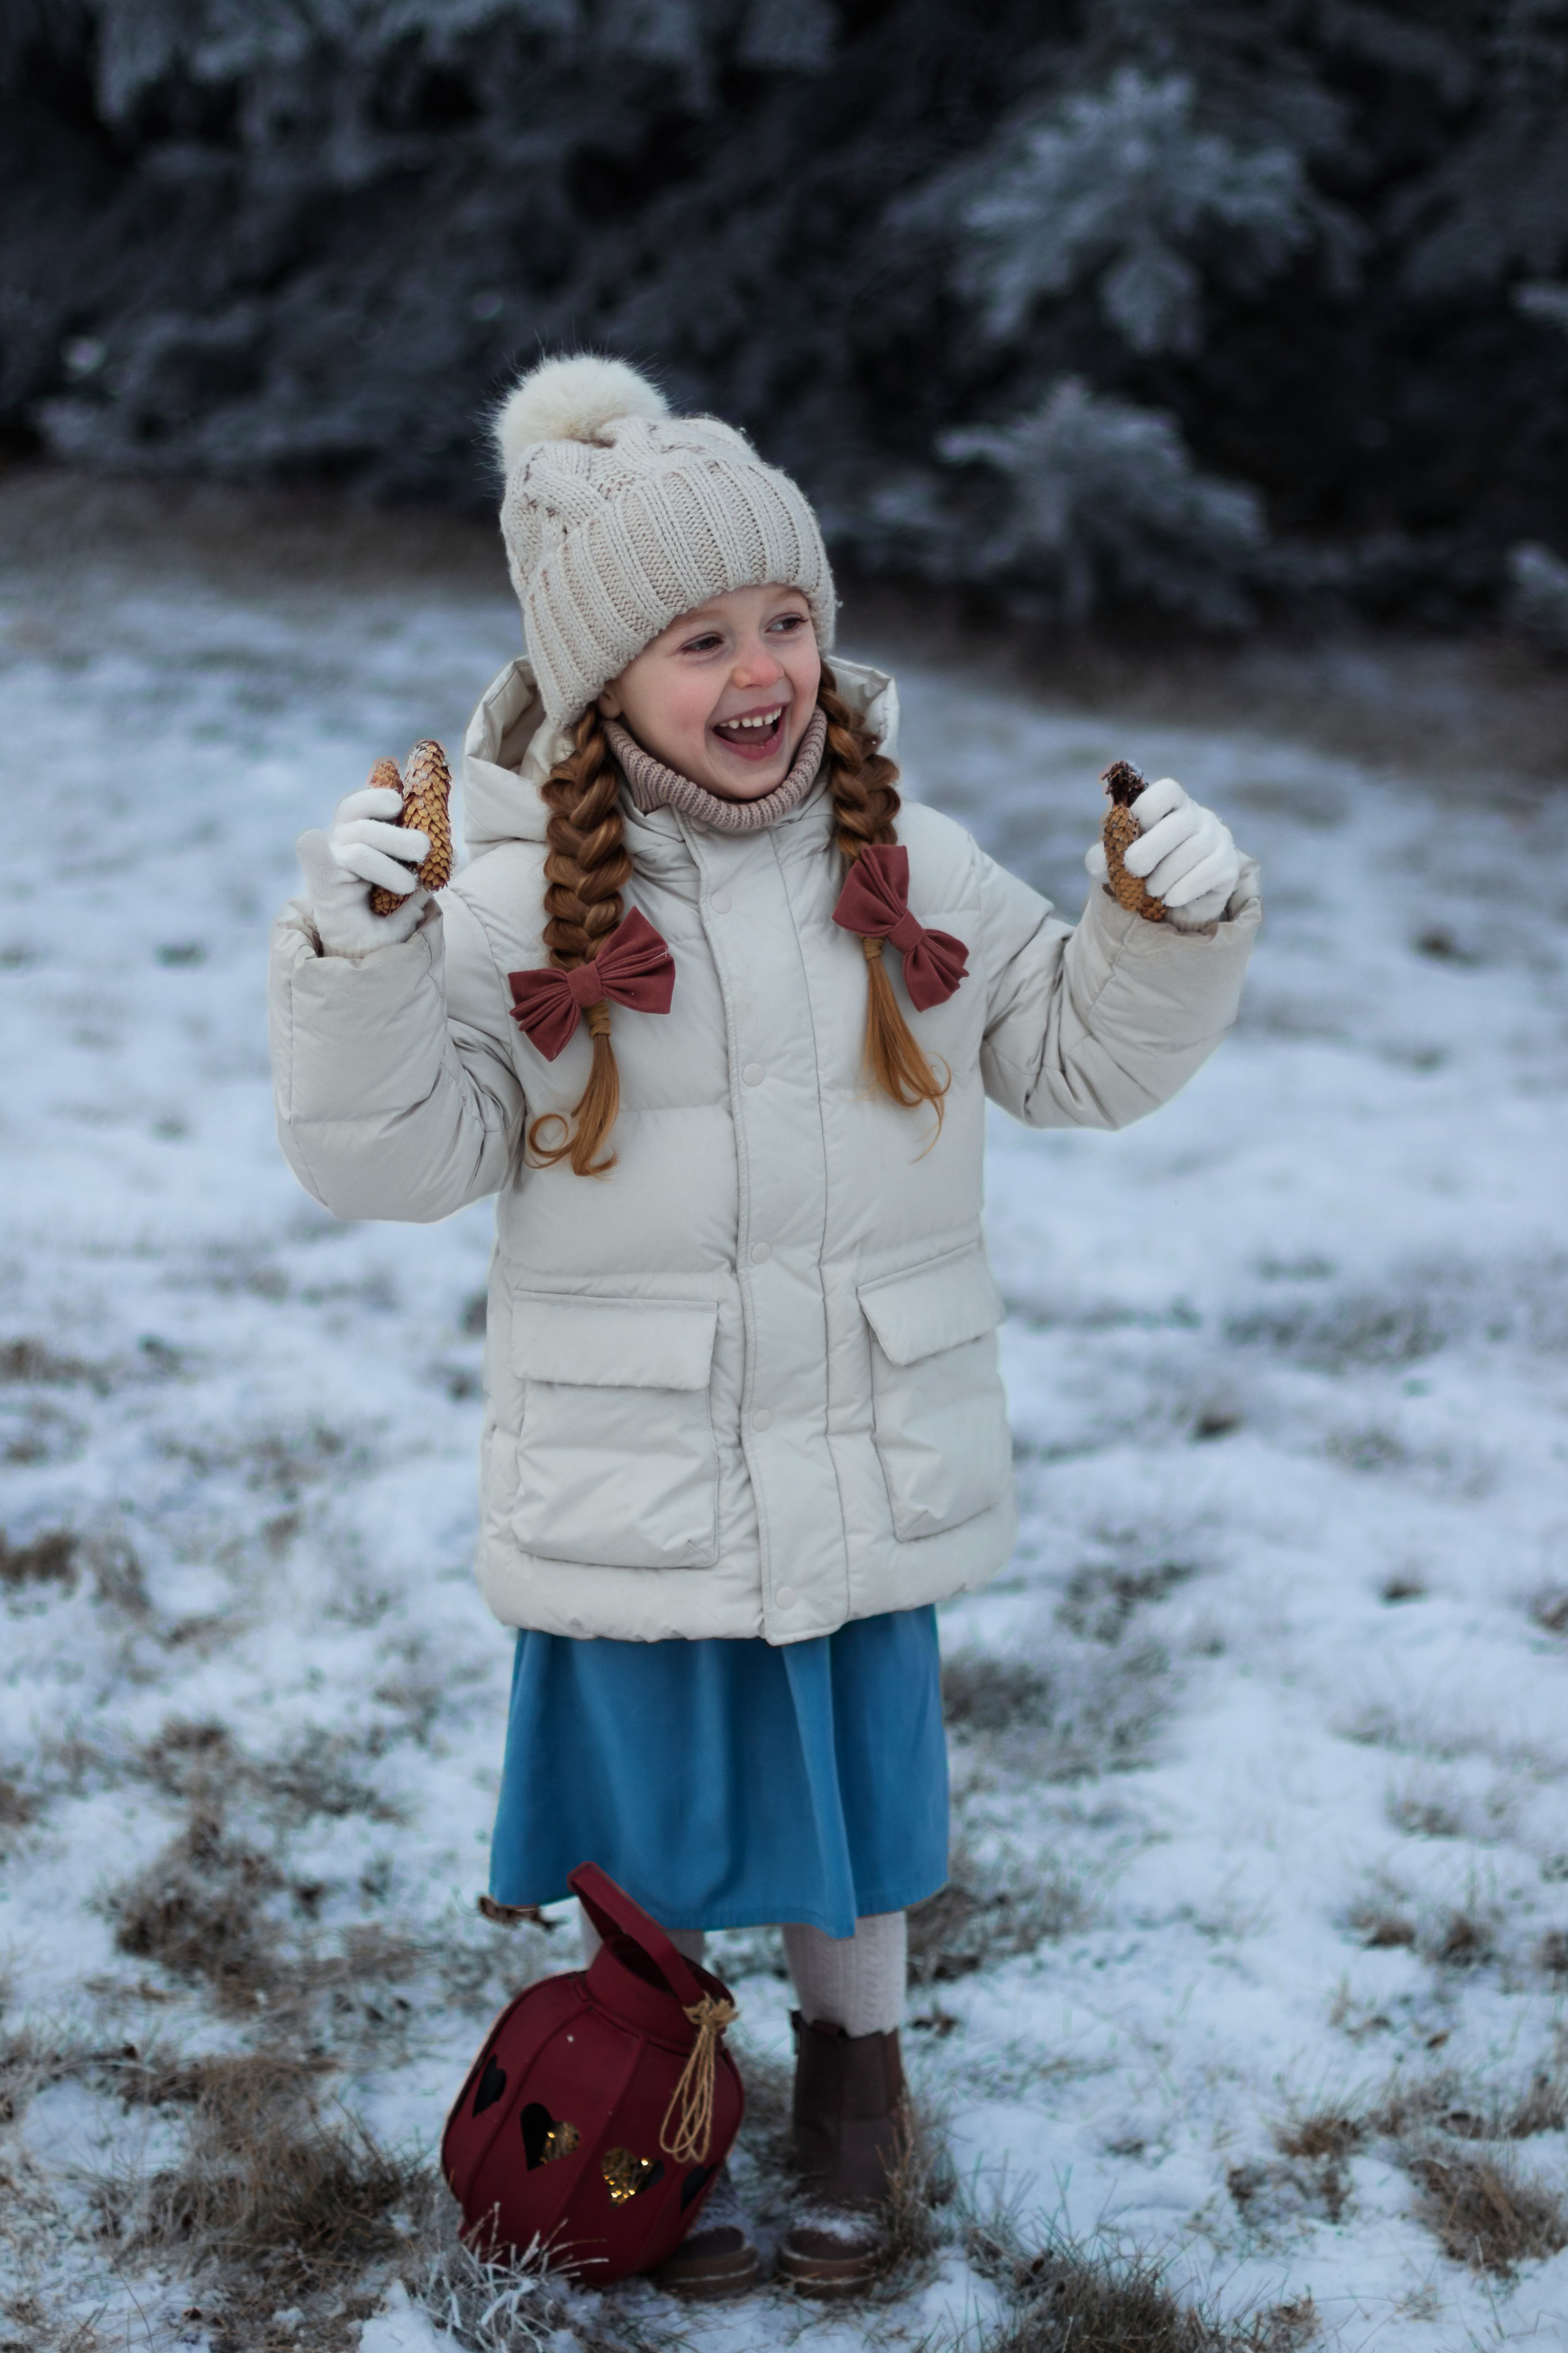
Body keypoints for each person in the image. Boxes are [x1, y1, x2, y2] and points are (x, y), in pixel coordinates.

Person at [269, 353, 1260, 2300]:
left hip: (858, 1435)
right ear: (598, 678)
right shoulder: (509, 902)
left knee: (848, 1809)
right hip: (638, 1456)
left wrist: (1167, 931)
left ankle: (856, 2096)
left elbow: (1069, 1050)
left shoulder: (906, 866)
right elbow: (390, 1155)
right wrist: (357, 956)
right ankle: (671, 2083)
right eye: (698, 636)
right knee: (660, 1814)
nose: (761, 671)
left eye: (786, 618)